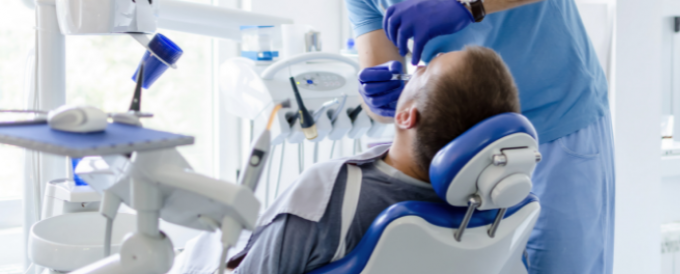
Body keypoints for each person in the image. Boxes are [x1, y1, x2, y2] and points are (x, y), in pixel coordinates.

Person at [264, 0, 615, 273]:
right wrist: (379, 97)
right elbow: (381, 81)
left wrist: (468, 3)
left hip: (556, 135)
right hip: (456, 165)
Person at [172, 46, 520, 273]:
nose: (421, 63)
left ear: (405, 117)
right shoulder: (493, 209)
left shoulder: (330, 191)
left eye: (426, 70)